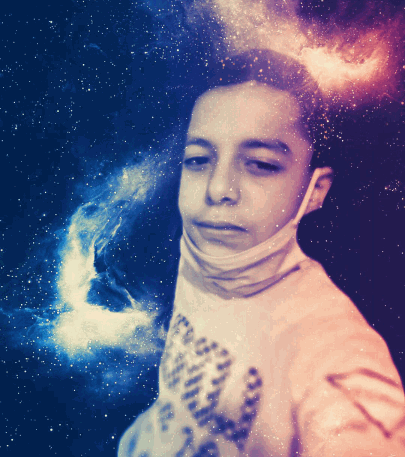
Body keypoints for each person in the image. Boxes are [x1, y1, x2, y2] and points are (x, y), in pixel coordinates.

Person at [118, 51, 405, 457]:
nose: (217, 189)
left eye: (261, 165)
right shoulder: (203, 251)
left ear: (315, 191)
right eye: (198, 160)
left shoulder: (334, 355)